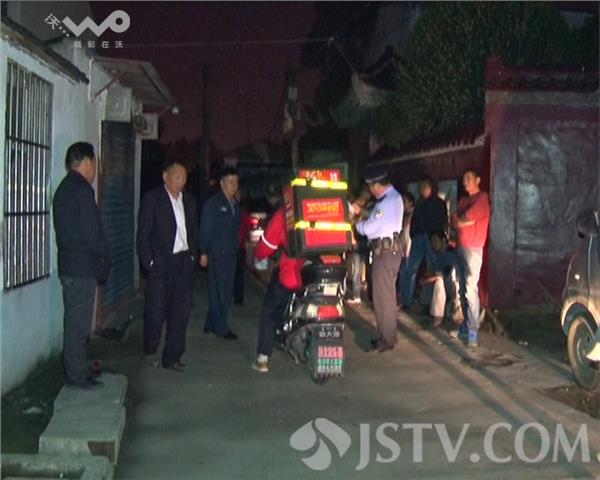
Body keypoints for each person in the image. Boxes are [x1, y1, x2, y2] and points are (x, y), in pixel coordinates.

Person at [53, 142, 111, 389]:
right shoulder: (82, 190)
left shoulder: (64, 189)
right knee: (78, 326)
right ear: (87, 162)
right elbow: (92, 232)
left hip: (70, 266)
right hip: (81, 269)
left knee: (74, 322)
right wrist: (105, 253)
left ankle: (77, 369)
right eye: (94, 164)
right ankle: (77, 375)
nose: (94, 169)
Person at [137, 160, 198, 371]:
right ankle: (151, 348)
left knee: (180, 313)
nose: (181, 182)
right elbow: (143, 235)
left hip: (183, 262)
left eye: (184, 178)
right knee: (156, 311)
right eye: (177, 177)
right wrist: (149, 262)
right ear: (165, 177)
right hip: (161, 262)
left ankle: (172, 356)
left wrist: (193, 256)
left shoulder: (189, 201)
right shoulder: (153, 200)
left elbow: (194, 231)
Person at [355, 166, 404, 353]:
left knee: (382, 298)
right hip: (391, 251)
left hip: (384, 253)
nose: (371, 191)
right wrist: (363, 212)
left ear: (376, 185)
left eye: (371, 187)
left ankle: (387, 339)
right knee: (387, 297)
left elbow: (369, 229)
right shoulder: (394, 197)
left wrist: (357, 224)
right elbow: (379, 219)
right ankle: (388, 335)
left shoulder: (385, 203)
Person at [252, 206, 305, 373]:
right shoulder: (330, 207)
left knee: (270, 312)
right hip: (323, 274)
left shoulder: (287, 212)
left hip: (292, 275)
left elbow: (267, 243)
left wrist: (259, 255)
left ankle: (263, 358)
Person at [450, 168, 490, 347]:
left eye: (468, 178)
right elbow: (454, 221)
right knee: (461, 289)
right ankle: (466, 326)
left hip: (473, 250)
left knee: (470, 289)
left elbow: (466, 216)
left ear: (478, 180)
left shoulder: (482, 198)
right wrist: (462, 221)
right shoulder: (463, 200)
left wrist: (462, 220)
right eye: (464, 179)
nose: (464, 182)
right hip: (460, 248)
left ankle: (473, 332)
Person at [199, 167, 241, 339]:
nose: (234, 185)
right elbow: (205, 229)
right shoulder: (214, 204)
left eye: (236, 182)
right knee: (221, 293)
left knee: (224, 291)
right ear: (222, 184)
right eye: (231, 182)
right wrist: (203, 251)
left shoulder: (234, 204)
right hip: (217, 253)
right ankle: (221, 328)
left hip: (230, 253)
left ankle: (211, 323)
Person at [401, 176, 448, 310]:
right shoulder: (420, 203)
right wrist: (413, 234)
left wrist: (436, 237)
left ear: (428, 187)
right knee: (411, 269)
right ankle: (407, 301)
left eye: (421, 186)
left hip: (431, 238)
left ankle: (428, 304)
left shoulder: (438, 203)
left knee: (432, 271)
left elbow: (443, 221)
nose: (419, 189)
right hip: (419, 237)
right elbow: (415, 220)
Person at [419, 232, 459, 328]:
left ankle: (437, 318)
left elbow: (443, 275)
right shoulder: (440, 254)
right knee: (430, 276)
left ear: (443, 240)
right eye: (432, 241)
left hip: (455, 289)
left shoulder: (450, 253)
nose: (433, 244)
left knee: (438, 282)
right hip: (448, 285)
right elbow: (433, 270)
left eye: (435, 241)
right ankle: (426, 306)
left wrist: (427, 279)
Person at [233, 191, 253, 305]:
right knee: (238, 274)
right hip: (238, 247)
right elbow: (249, 226)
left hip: (237, 248)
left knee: (235, 274)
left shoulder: (238, 211)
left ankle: (236, 297)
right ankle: (238, 298)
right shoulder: (241, 212)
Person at [397, 192, 415, 302]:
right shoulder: (404, 215)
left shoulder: (413, 215)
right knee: (403, 272)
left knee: (407, 273)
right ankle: (403, 297)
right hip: (403, 247)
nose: (402, 204)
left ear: (411, 202)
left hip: (409, 247)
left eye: (405, 201)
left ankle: (406, 299)